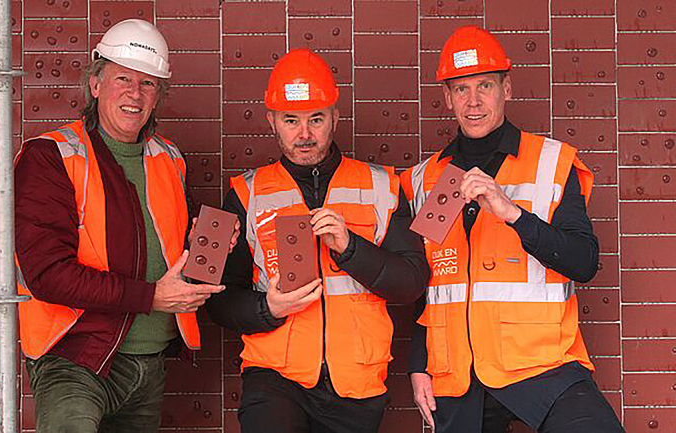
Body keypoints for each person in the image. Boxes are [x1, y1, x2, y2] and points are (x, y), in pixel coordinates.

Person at [14, 19, 236, 432]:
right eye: (123, 78)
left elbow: (172, 252)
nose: (135, 93)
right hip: (76, 360)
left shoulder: (168, 157)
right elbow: (47, 275)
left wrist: (208, 245)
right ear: (96, 84)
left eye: (149, 83)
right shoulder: (51, 157)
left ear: (158, 96)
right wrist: (151, 296)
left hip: (149, 365)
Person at [401, 26, 624, 433]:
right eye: (461, 89)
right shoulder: (426, 180)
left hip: (541, 364)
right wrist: (419, 365)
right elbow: (430, 284)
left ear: (507, 88)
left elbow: (584, 262)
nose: (473, 102)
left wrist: (512, 213)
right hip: (458, 373)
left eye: (485, 85)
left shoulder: (549, 162)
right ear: (448, 97)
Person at [205, 48, 430, 433]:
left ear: (335, 119)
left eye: (316, 119)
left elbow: (411, 283)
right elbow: (217, 301)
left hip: (356, 384)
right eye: (291, 120)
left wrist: (351, 248)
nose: (305, 134)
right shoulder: (242, 193)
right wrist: (267, 308)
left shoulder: (383, 186)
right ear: (271, 121)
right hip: (274, 378)